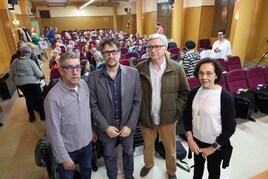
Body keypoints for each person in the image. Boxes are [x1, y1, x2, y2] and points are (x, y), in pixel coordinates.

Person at [136, 33, 189, 179]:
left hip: (168, 118)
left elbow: (184, 92)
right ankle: (148, 164)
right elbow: (134, 93)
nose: (153, 50)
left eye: (157, 47)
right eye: (150, 47)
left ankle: (171, 171)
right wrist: (140, 112)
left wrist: (176, 109)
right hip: (147, 118)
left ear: (165, 48)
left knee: (170, 148)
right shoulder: (140, 68)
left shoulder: (177, 68)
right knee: (148, 146)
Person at [88, 38, 142, 179]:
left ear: (119, 53)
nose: (110, 55)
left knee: (129, 152)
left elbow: (137, 102)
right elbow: (93, 105)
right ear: (102, 55)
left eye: (113, 52)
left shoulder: (133, 73)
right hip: (106, 125)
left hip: (127, 124)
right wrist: (105, 127)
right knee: (108, 155)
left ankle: (129, 176)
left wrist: (130, 125)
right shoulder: (93, 77)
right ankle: (112, 176)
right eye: (106, 53)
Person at [183, 58, 236, 179]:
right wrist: (190, 139)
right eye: (201, 73)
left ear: (216, 74)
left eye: (209, 73)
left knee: (213, 172)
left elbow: (230, 128)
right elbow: (186, 116)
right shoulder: (194, 92)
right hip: (196, 141)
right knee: (197, 171)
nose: (204, 77)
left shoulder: (225, 97)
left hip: (215, 143)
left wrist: (212, 148)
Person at [44, 52, 94, 178]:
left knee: (87, 171)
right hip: (68, 149)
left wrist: (92, 131)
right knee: (67, 176)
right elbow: (53, 132)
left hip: (87, 143)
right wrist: (63, 157)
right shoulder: (53, 99)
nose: (75, 72)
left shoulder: (84, 85)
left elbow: (87, 112)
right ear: (60, 70)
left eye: (77, 67)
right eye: (70, 68)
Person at [9, 46, 45, 122]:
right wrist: (42, 75)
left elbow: (11, 75)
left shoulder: (15, 62)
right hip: (33, 83)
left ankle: (31, 116)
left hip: (21, 84)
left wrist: (16, 81)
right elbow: (39, 74)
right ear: (28, 53)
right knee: (38, 98)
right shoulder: (31, 62)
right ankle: (42, 115)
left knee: (28, 99)